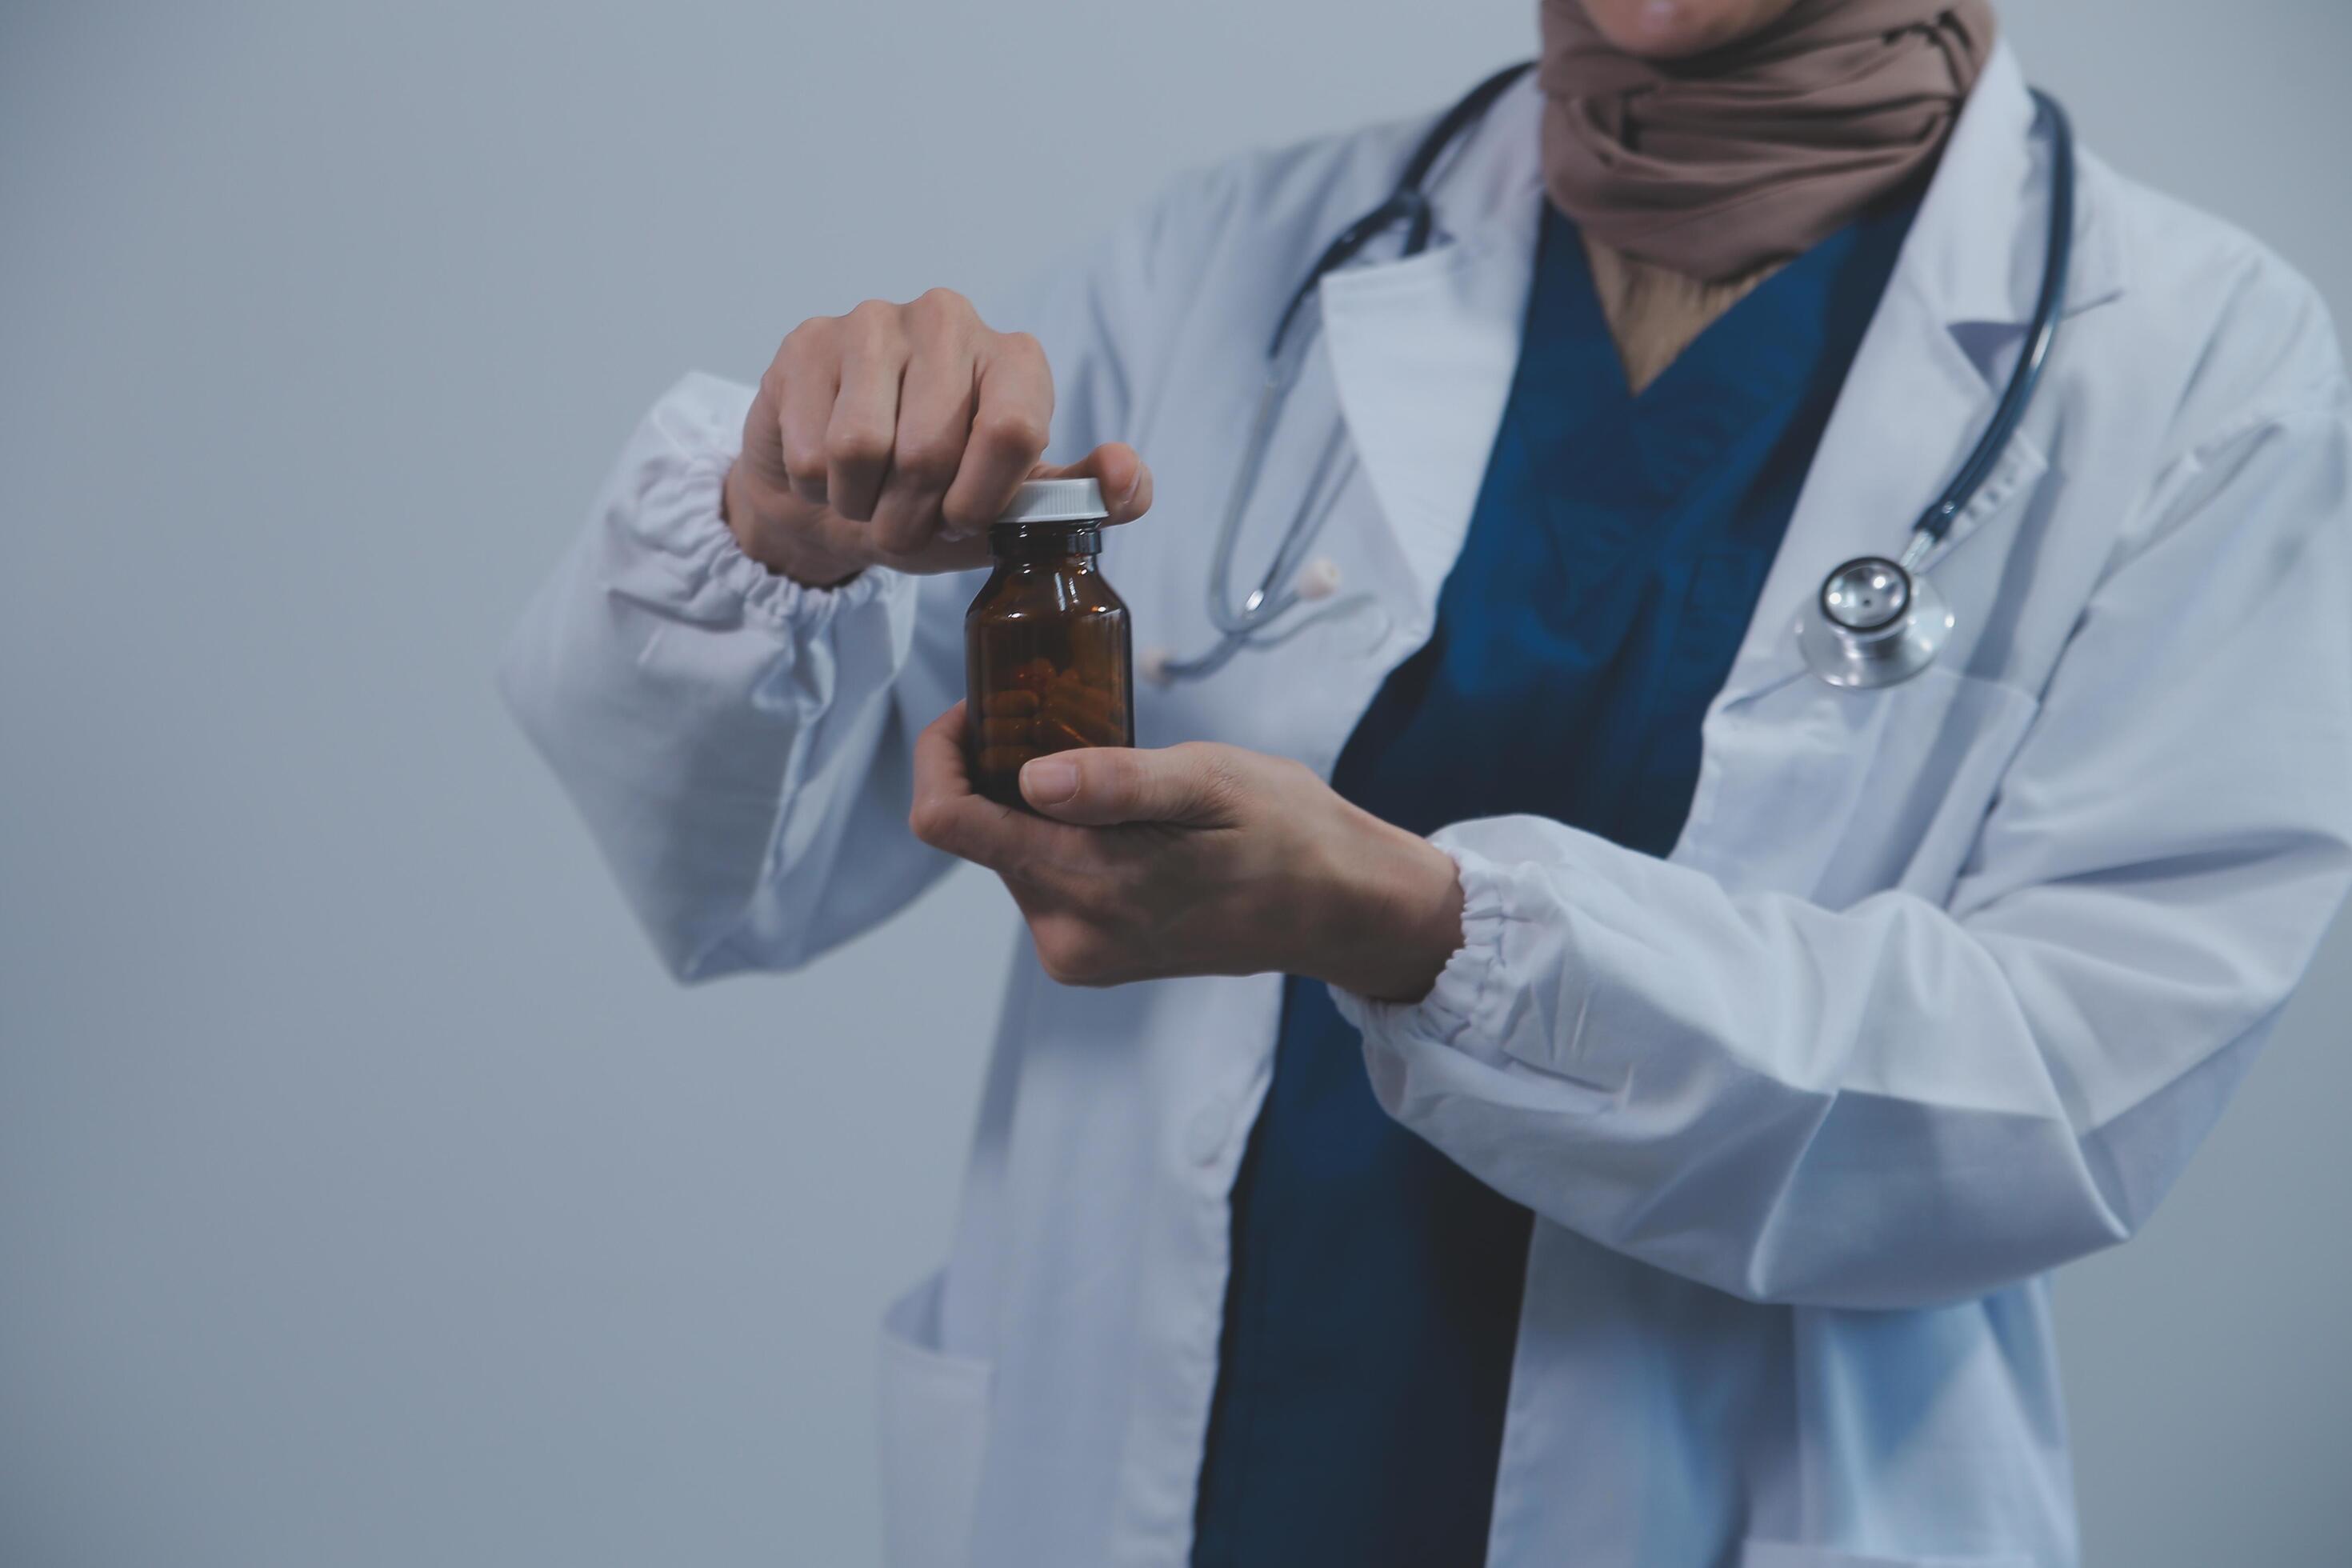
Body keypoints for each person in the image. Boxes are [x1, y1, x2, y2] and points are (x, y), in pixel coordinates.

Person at [500, 1, 2352, 1564]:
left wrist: (1418, 927)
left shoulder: (2199, 371)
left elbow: (2058, 1089)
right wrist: (778, 521)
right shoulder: (1236, 263)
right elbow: (752, 867)